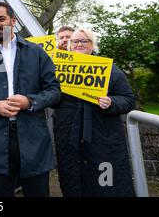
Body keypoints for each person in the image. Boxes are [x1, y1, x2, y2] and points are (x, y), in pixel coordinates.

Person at [0, 2, 61, 197]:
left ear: (13, 20)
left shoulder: (36, 53)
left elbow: (53, 90)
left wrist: (30, 101)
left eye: (1, 19)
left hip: (32, 137)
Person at [53, 28, 135, 197]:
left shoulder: (110, 69)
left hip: (102, 136)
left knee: (106, 184)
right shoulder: (58, 69)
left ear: (92, 45)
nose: (79, 44)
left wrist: (112, 102)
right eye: (75, 41)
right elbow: (50, 96)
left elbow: (128, 99)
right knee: (72, 179)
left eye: (84, 41)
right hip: (69, 136)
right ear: (69, 45)